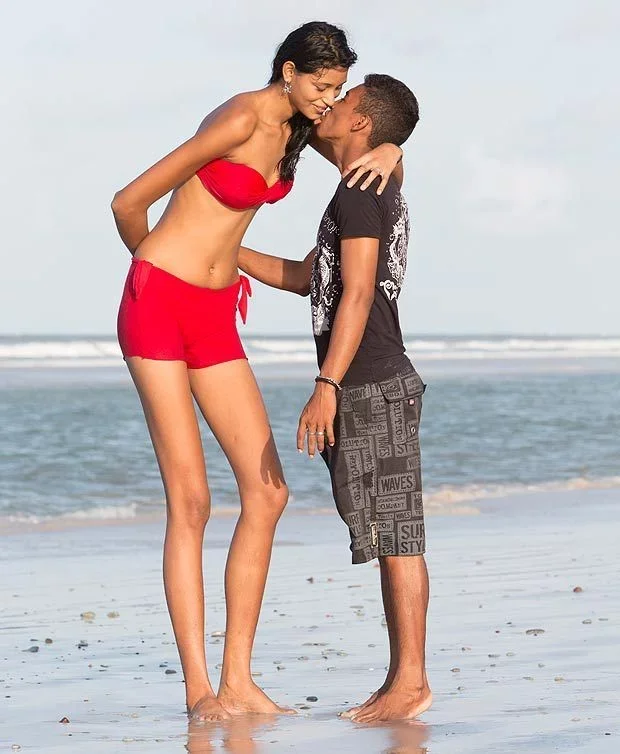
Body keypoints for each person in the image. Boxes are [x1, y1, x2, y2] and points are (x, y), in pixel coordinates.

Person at [111, 21, 404, 722]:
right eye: (322, 87)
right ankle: (199, 693)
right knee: (191, 502)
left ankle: (237, 678)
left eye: (338, 92)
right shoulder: (242, 114)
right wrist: (156, 270)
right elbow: (129, 200)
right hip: (158, 305)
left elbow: (363, 147)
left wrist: (392, 146)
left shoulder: (300, 136)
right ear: (288, 70)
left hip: (216, 314)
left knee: (267, 493)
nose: (329, 102)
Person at [238, 73, 432, 722]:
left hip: (369, 381)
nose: (330, 103)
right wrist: (223, 249)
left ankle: (410, 683)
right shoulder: (367, 184)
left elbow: (354, 293)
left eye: (344, 100)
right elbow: (307, 279)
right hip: (370, 382)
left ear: (361, 124)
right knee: (385, 531)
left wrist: (326, 387)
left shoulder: (359, 194)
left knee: (398, 536)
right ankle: (400, 678)